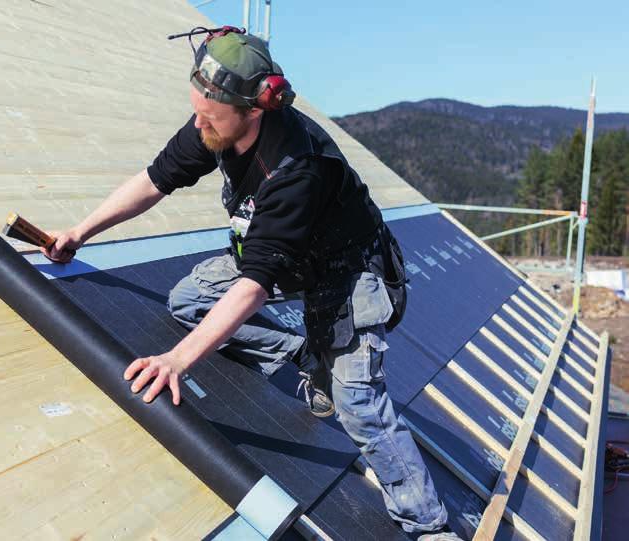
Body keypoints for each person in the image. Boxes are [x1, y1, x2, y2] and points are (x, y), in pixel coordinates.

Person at [43, 27, 460, 540]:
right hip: (284, 258)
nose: (198, 125)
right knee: (190, 301)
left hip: (348, 272)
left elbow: (253, 288)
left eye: (209, 117)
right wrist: (81, 232)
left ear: (255, 110)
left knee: (358, 403)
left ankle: (428, 525)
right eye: (196, 111)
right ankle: (308, 356)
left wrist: (177, 360)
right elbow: (153, 181)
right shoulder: (214, 123)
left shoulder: (295, 168)